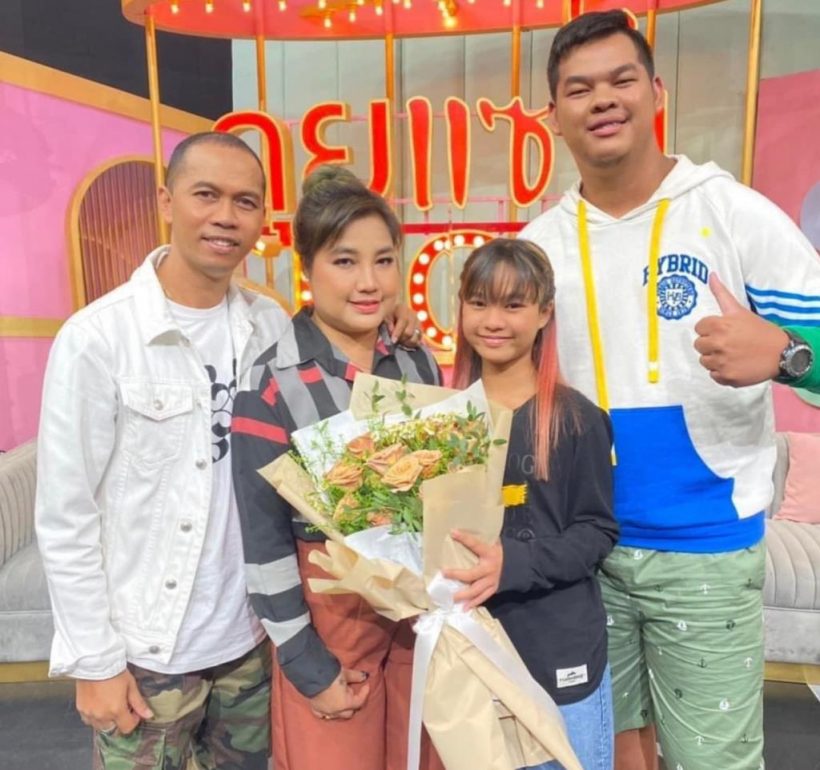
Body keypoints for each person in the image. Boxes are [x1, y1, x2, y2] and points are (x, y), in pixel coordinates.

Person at [34, 133, 420, 770]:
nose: (225, 217)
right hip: (147, 650)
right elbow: (65, 514)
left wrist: (390, 313)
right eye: (206, 195)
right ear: (166, 201)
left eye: (245, 201)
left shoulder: (267, 323)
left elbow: (342, 327)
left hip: (249, 642)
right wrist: (94, 661)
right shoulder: (99, 337)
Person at [518, 11, 820, 770]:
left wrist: (787, 355)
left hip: (705, 551)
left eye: (621, 80)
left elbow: (810, 353)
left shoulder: (732, 213)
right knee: (603, 753)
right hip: (580, 553)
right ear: (553, 116)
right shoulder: (537, 246)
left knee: (714, 762)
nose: (602, 99)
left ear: (656, 92)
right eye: (579, 89)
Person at [231, 166, 444, 770]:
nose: (368, 282)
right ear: (307, 268)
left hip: (419, 617)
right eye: (345, 261)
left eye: (384, 261)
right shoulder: (270, 384)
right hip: (329, 622)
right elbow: (263, 541)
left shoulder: (416, 363)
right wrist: (305, 662)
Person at [444, 238, 619, 770]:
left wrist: (514, 564)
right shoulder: (444, 419)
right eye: (479, 302)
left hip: (559, 653)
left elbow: (596, 532)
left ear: (544, 313)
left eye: (513, 304)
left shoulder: (577, 419)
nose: (493, 321)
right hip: (471, 653)